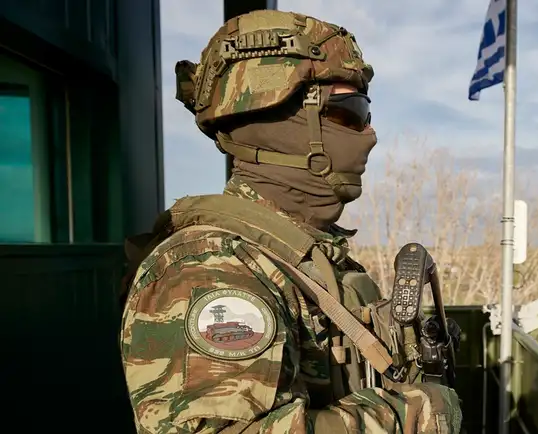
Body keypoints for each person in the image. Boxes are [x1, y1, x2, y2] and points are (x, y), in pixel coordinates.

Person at [119, 10, 462, 434]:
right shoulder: (209, 267)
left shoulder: (297, 253)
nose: (369, 135)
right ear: (277, 120)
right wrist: (412, 415)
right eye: (349, 112)